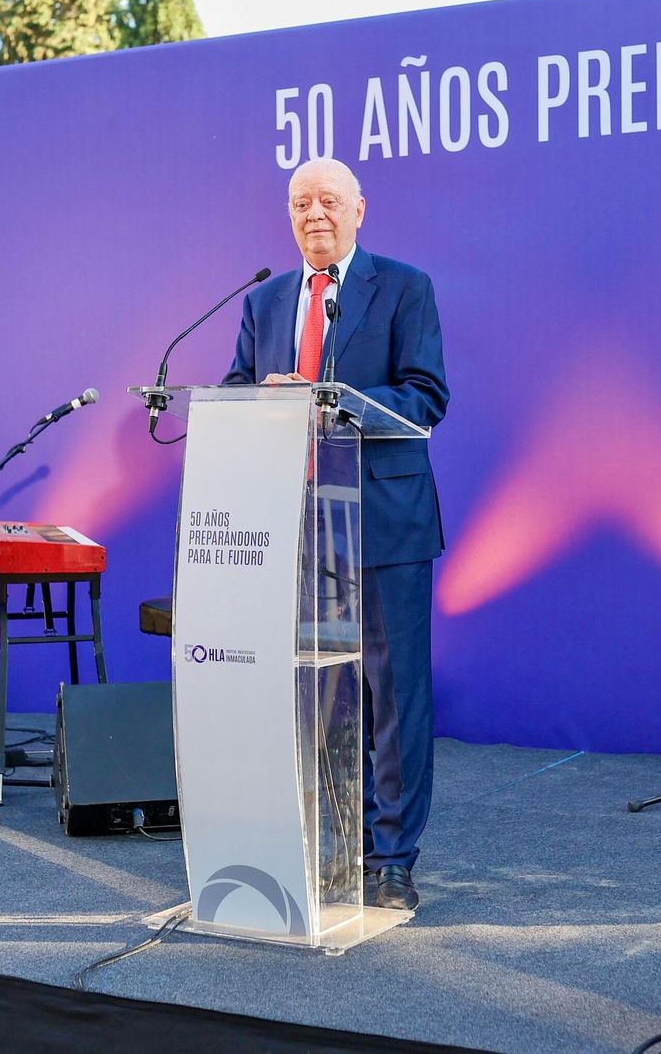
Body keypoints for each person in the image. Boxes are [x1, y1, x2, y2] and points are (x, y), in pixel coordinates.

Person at [223, 157, 448, 911]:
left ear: (359, 209)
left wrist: (332, 400)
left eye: (327, 200)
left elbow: (425, 396)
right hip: (297, 525)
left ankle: (392, 859)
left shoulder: (404, 287)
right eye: (300, 203)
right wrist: (261, 399)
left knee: (393, 694)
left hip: (383, 521)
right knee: (323, 697)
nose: (313, 213)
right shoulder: (265, 301)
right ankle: (339, 849)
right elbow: (234, 391)